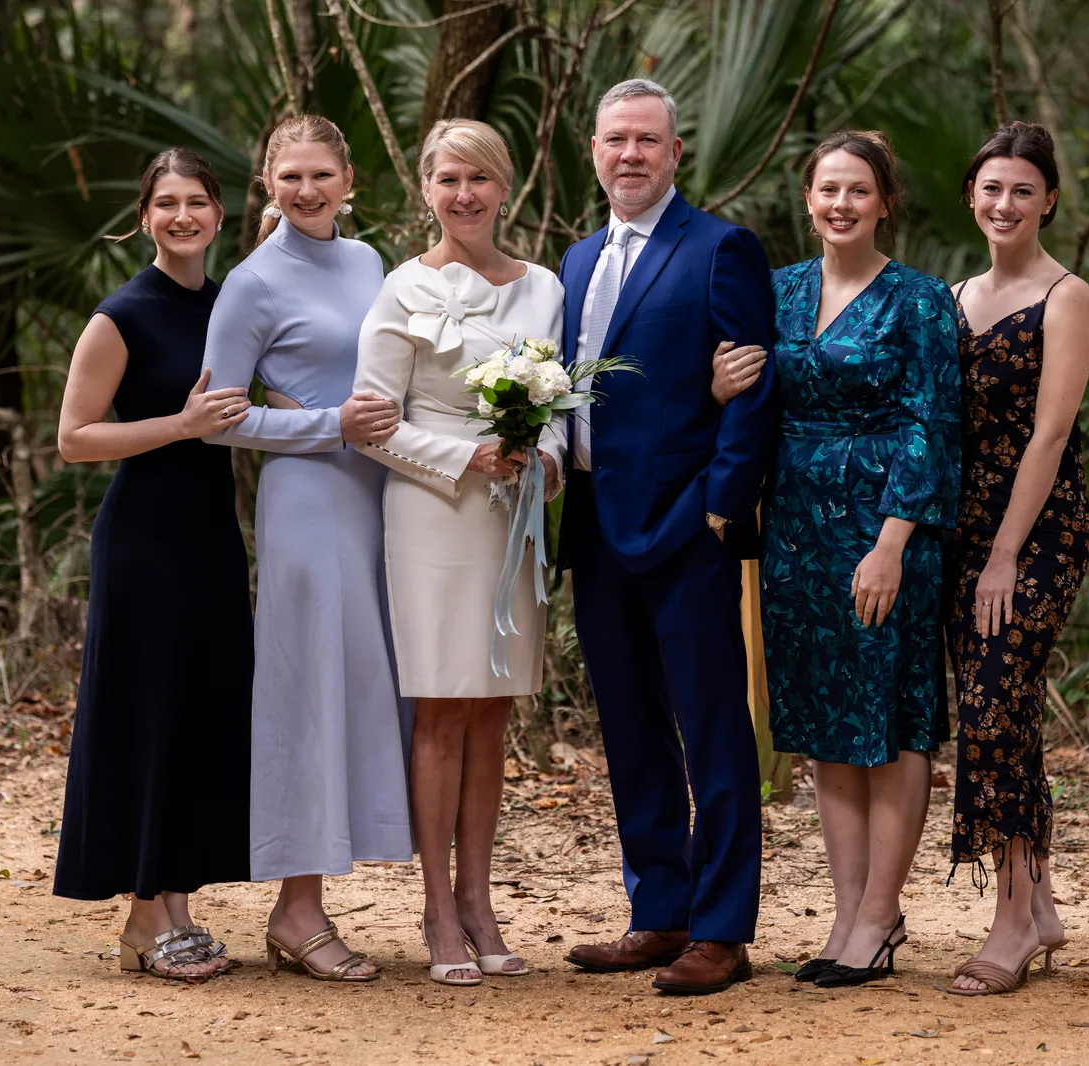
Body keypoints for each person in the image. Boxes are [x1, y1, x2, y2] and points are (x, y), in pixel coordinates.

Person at [720, 130, 961, 990]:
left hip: (881, 528)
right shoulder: (776, 291)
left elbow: (933, 427)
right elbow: (746, 395)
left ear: (885, 202)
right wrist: (721, 387)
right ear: (808, 197)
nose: (841, 205)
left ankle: (879, 916)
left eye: (858, 191)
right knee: (827, 727)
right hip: (794, 531)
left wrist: (893, 542)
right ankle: (846, 908)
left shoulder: (921, 300)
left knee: (889, 721)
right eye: (828, 189)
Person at [559, 79, 777, 996]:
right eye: (616, 140)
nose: (632, 154)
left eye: (649, 140)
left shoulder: (719, 248)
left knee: (713, 727)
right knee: (630, 729)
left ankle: (722, 930)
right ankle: (660, 912)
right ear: (595, 151)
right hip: (593, 529)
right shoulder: (571, 263)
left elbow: (754, 382)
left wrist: (720, 506)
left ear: (676, 152)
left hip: (687, 527)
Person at [199, 114, 411, 984]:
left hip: (380, 498)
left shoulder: (368, 263)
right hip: (306, 503)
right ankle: (295, 908)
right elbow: (215, 418)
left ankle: (312, 899)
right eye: (290, 177)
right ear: (268, 183)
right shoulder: (251, 281)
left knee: (364, 690)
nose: (307, 190)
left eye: (321, 175)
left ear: (348, 178)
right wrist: (330, 426)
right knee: (309, 688)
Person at [352, 119, 563, 986]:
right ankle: (437, 907)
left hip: (513, 514)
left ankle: (480, 899)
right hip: (436, 510)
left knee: (494, 710)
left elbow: (564, 396)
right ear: (427, 191)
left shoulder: (543, 286)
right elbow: (369, 421)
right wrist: (461, 455)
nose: (464, 194)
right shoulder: (403, 287)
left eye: (478, 178)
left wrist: (545, 459)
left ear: (504, 187)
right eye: (448, 179)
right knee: (442, 709)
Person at [53, 149, 251, 982]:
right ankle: (141, 914)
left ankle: (175, 904)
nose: (182, 216)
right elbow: (73, 438)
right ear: (145, 218)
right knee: (147, 717)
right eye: (165, 203)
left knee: (198, 717)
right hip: (144, 542)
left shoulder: (233, 305)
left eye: (196, 202)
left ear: (217, 214)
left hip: (211, 536)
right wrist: (178, 424)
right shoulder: (120, 315)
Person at [943, 121, 1089, 996]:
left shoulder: (1064, 294)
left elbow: (1050, 435)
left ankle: (1009, 922)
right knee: (1004, 708)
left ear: (1048, 203)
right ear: (973, 196)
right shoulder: (956, 294)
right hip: (963, 531)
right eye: (992, 188)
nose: (1005, 204)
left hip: (1036, 534)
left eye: (1023, 191)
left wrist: (1005, 555)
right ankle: (1035, 901)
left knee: (997, 703)